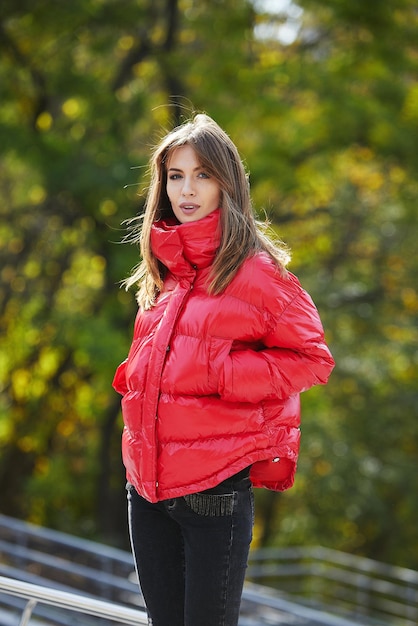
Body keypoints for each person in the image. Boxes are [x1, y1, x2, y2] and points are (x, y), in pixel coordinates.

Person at [113, 113, 335, 626]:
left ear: (227, 182)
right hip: (145, 493)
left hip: (212, 493)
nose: (186, 190)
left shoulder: (257, 272)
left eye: (203, 174)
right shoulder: (165, 269)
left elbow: (312, 360)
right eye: (175, 175)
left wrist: (220, 372)